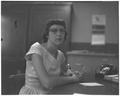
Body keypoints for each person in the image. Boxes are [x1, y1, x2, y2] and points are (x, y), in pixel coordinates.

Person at [19, 19, 84, 94]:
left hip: (53, 91)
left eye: (62, 31)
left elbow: (65, 73)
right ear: (47, 34)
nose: (59, 34)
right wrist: (73, 79)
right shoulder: (36, 49)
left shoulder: (60, 55)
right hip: (34, 93)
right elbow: (47, 83)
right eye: (54, 30)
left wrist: (73, 74)